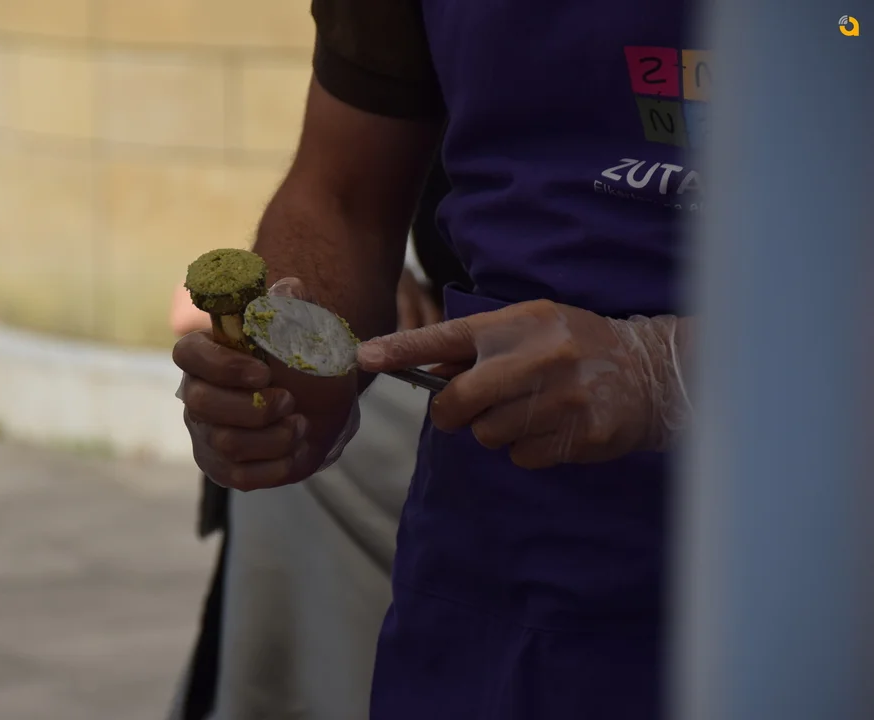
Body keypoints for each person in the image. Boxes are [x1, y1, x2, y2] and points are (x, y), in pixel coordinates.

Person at [173, 2, 695, 718]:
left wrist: (679, 370)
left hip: (808, 547)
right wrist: (296, 347)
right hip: (497, 529)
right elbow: (340, 196)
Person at [167, 185, 470, 720]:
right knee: (286, 441)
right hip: (451, 333)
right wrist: (325, 299)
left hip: (616, 402)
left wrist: (636, 358)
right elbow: (338, 198)